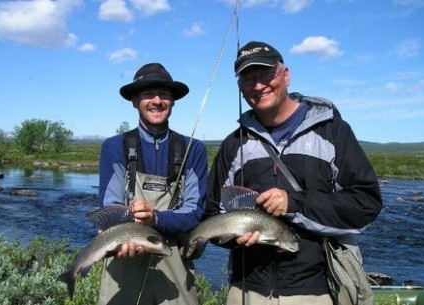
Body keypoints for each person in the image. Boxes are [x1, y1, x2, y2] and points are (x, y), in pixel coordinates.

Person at [204, 41, 383, 304]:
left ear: (285, 75)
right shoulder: (234, 144)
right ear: (240, 89)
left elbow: (366, 203)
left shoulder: (332, 131)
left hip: (317, 290)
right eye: (248, 79)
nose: (258, 85)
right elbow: (212, 212)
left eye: (266, 74)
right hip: (246, 291)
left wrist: (294, 204)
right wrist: (233, 239)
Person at [97, 63, 208, 305]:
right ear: (135, 101)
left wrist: (155, 219)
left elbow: (196, 213)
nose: (157, 101)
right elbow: (109, 208)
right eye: (148, 94)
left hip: (175, 266)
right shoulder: (114, 147)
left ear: (173, 101)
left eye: (164, 94)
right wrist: (125, 236)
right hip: (124, 265)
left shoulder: (194, 149)